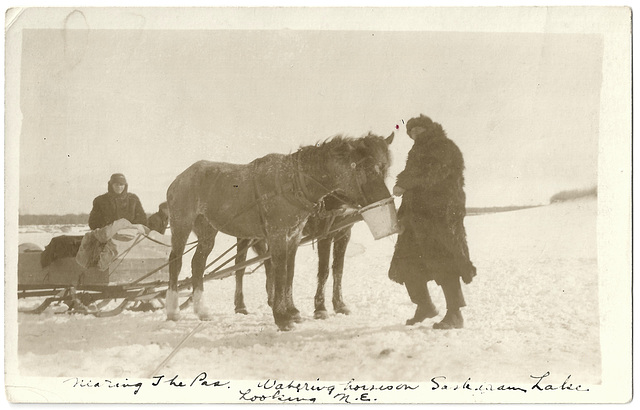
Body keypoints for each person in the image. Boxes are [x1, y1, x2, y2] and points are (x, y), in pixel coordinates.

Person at [388, 114, 476, 329]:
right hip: (415, 216)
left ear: (429, 129)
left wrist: (405, 184)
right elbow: (415, 176)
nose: (414, 134)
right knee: (408, 262)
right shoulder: (417, 150)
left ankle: (455, 314)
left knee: (444, 261)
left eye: (419, 130)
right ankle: (424, 306)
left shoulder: (443, 146)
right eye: (411, 132)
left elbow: (433, 174)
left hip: (440, 216)